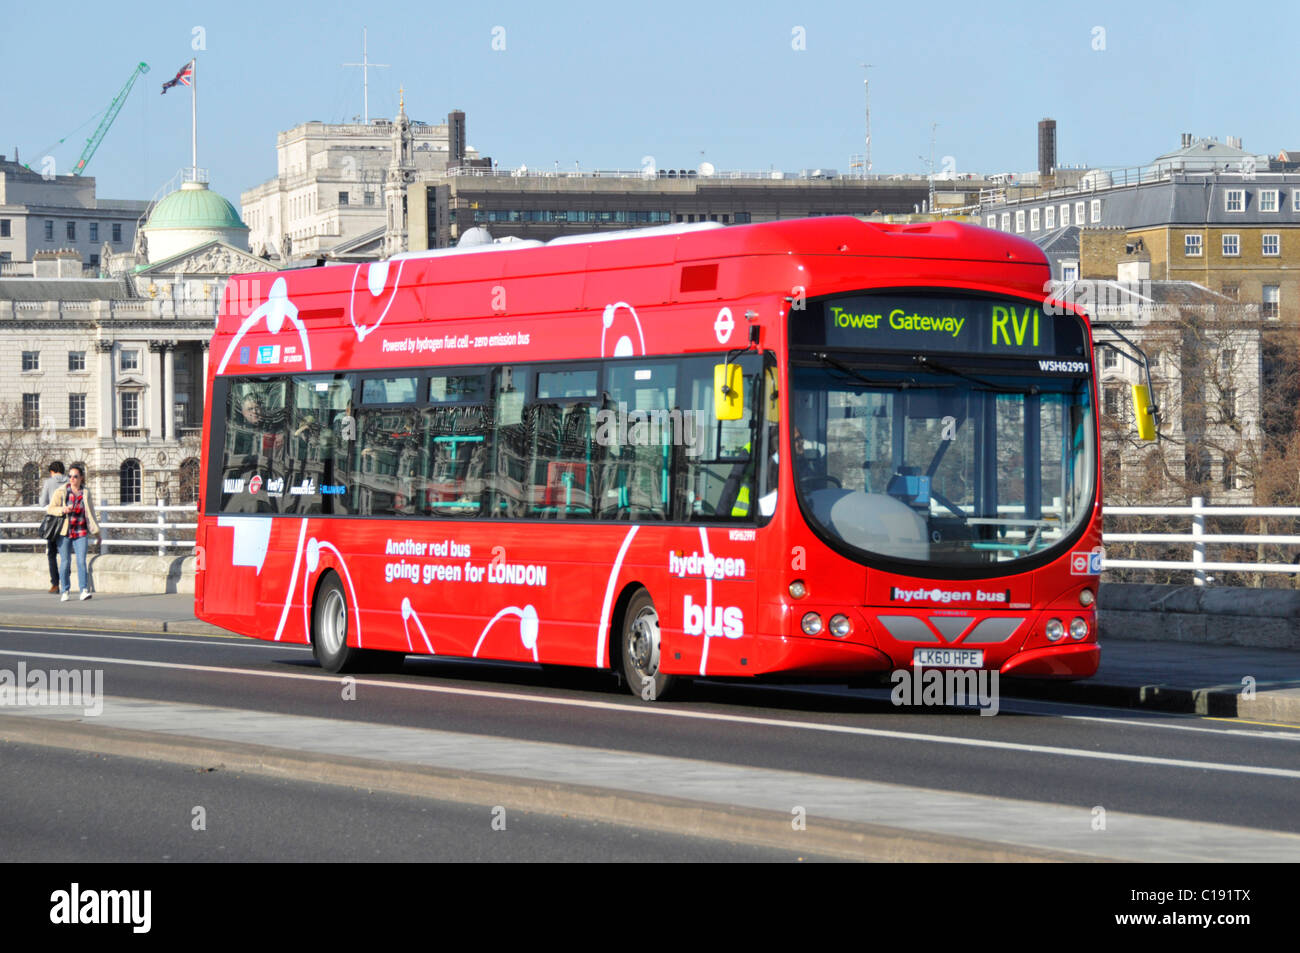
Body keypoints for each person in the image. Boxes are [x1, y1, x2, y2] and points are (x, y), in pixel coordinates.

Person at [46, 464, 100, 602]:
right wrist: (63, 510)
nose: (72, 479)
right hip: (65, 532)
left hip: (81, 532)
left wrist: (97, 533)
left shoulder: (86, 493)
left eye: (75, 476)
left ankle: (83, 590)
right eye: (70, 476)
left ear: (81, 477)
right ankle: (65, 590)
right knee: (65, 562)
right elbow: (50, 509)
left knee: (81, 561)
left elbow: (91, 514)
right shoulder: (62, 491)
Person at [37, 461, 68, 593]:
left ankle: (55, 584)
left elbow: (42, 503)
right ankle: (67, 581)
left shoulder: (49, 482)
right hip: (69, 519)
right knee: (66, 554)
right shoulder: (71, 480)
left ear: (52, 471)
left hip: (54, 521)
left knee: (52, 554)